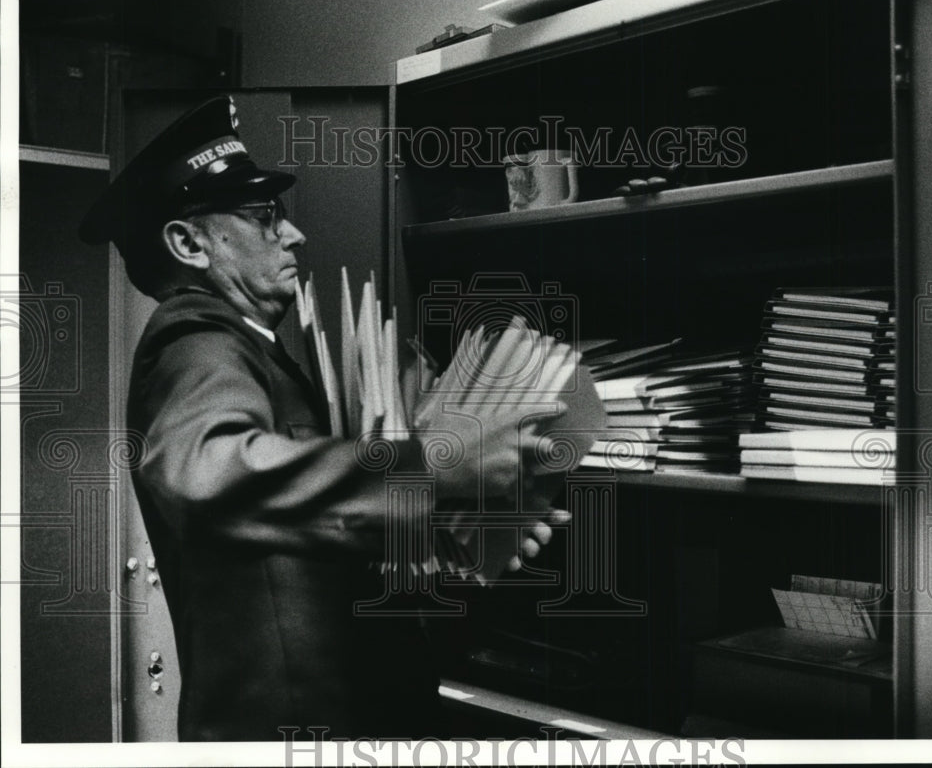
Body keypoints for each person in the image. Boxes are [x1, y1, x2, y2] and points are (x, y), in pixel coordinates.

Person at [78, 96, 567, 741]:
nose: (293, 234)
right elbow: (208, 474)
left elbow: (290, 538)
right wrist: (436, 465)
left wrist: (452, 531)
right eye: (263, 217)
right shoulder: (196, 337)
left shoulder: (250, 344)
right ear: (188, 242)